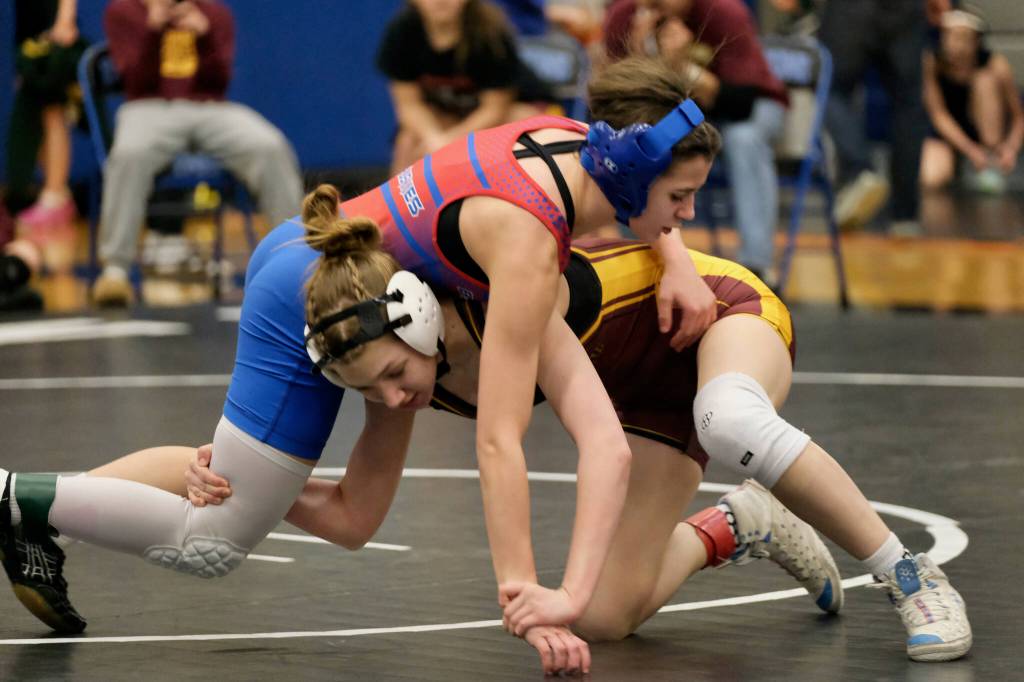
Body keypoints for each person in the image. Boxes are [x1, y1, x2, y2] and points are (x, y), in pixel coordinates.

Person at [1, 54, 720, 661]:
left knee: (354, 519)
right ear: (630, 176)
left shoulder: (570, 141)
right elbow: (499, 441)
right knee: (211, 545)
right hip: (327, 299)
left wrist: (677, 259)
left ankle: (50, 510)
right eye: (682, 198)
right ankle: (16, 498)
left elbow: (643, 184)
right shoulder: (529, 243)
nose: (686, 215)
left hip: (339, 271)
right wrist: (530, 596)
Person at [185, 215, 969, 666]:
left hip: (717, 317)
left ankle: (908, 574)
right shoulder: (400, 380)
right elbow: (356, 518)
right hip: (645, 401)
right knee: (603, 618)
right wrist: (255, 488)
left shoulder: (505, 294)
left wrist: (672, 254)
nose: (391, 400)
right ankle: (741, 523)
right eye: (367, 391)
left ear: (416, 319)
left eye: (391, 375)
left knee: (728, 417)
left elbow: (594, 448)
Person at [91, 0, 305, 307]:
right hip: (148, 106)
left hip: (208, 107)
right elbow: (136, 82)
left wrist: (204, 36)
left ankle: (296, 258)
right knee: (128, 154)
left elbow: (219, 83)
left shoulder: (214, 13)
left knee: (269, 145)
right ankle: (115, 271)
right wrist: (154, 29)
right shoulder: (123, 12)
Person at [603, 0, 789, 281]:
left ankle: (757, 265)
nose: (655, 4)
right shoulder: (625, 16)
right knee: (639, 138)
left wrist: (683, 68)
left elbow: (742, 104)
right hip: (685, 110)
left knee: (744, 139)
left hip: (752, 106)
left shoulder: (724, 12)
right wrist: (640, 60)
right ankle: (638, 257)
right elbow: (611, 108)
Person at [377, 0, 559, 174]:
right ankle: (398, 196)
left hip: (508, 111)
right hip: (451, 114)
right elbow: (409, 105)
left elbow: (495, 109)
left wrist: (448, 141)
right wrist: (433, 138)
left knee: (524, 123)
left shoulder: (491, 33)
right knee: (408, 140)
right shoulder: (402, 31)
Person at [818, 0, 935, 234]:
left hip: (852, 9)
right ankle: (905, 216)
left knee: (828, 89)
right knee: (908, 108)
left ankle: (861, 171)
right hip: (905, 10)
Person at [6, 0, 86, 264]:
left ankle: (56, 193)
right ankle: (52, 191)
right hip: (28, 29)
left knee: (53, 110)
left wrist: (65, 18)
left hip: (53, 25)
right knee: (36, 111)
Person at [920, 9, 1024, 193]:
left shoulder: (995, 65)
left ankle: (990, 159)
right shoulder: (932, 64)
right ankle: (960, 164)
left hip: (987, 131)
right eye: (948, 36)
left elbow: (1019, 116)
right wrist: (970, 150)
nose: (954, 45)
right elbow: (938, 115)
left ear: (976, 41)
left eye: (962, 38)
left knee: (984, 83)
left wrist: (1010, 148)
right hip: (948, 134)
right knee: (930, 177)